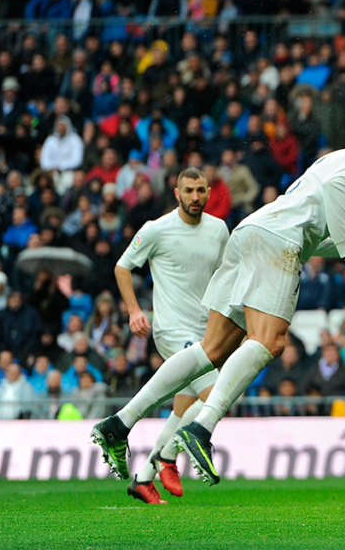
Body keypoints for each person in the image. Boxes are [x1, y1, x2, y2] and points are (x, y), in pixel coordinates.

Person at [93, 140, 345, 485]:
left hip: (253, 232)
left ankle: (119, 423)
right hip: (277, 241)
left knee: (211, 350)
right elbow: (335, 191)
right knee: (270, 342)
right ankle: (200, 428)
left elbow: (308, 228)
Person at [113, 168, 229, 503]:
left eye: (201, 190)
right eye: (189, 190)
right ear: (177, 193)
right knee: (217, 395)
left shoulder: (219, 229)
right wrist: (134, 311)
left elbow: (225, 275)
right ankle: (167, 455)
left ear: (209, 193)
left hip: (206, 332)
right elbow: (122, 267)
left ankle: (143, 478)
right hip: (172, 329)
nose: (195, 197)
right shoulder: (157, 229)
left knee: (184, 408)